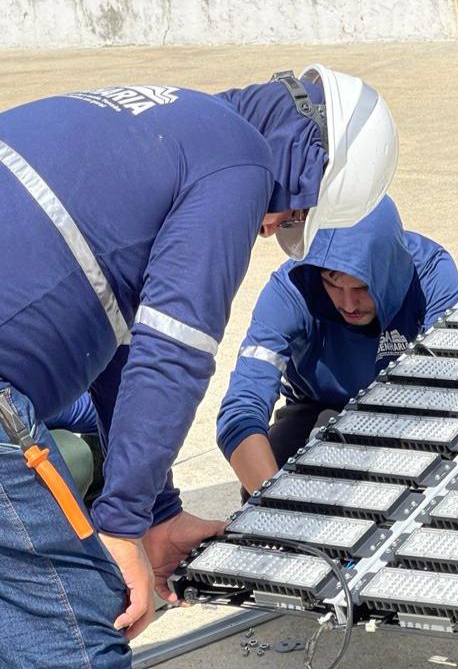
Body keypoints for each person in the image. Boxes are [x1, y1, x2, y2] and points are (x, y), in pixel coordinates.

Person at [0, 65, 398, 668]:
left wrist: (156, 514)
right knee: (77, 627)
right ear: (310, 159)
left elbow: (119, 349)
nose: (270, 228)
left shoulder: (176, 123)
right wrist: (120, 527)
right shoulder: (240, 161)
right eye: (296, 214)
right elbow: (173, 351)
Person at [217, 195, 458, 494]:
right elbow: (241, 407)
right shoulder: (288, 293)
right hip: (320, 407)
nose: (349, 304)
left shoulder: (431, 275)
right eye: (333, 283)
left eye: (362, 287)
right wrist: (274, 504)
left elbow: (446, 390)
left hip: (413, 408)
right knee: (268, 478)